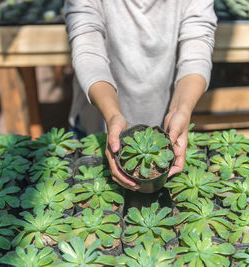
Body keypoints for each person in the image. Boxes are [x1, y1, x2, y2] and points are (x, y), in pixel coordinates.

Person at [64, 0, 217, 191]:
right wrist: (112, 116)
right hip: (97, 123)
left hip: (162, 126)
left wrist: (181, 109)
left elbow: (197, 48)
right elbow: (87, 47)